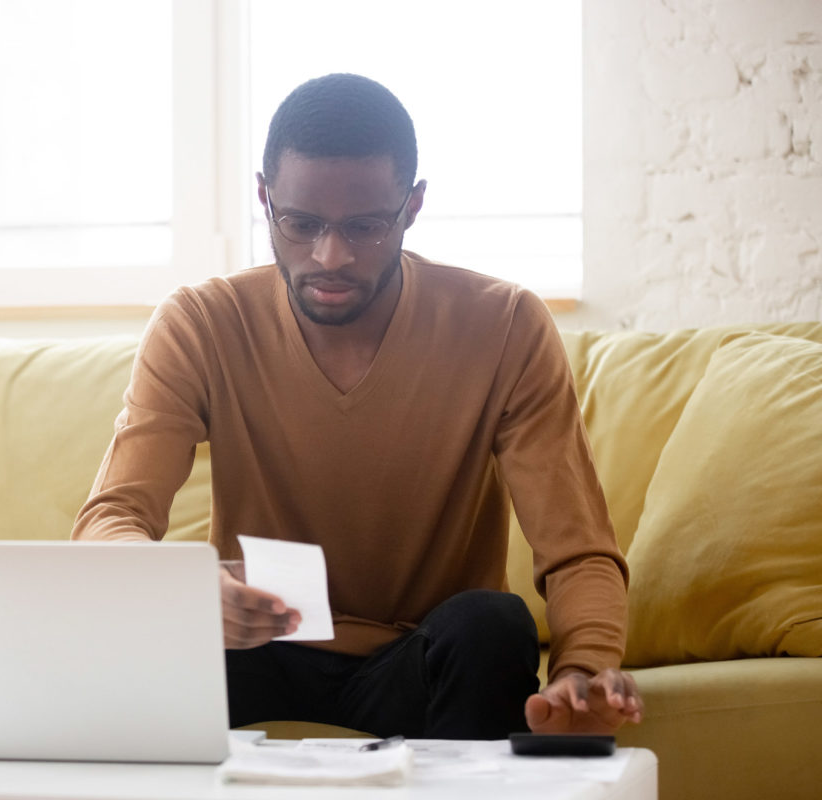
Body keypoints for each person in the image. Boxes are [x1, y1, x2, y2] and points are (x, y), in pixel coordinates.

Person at [72, 73, 643, 739]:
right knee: (138, 646)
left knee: (492, 623)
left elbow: (576, 550)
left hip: (418, 665)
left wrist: (582, 670)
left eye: (366, 227)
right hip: (252, 659)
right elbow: (113, 519)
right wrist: (184, 591)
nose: (330, 256)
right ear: (264, 198)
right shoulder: (201, 323)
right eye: (301, 224)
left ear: (412, 206)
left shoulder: (505, 326)